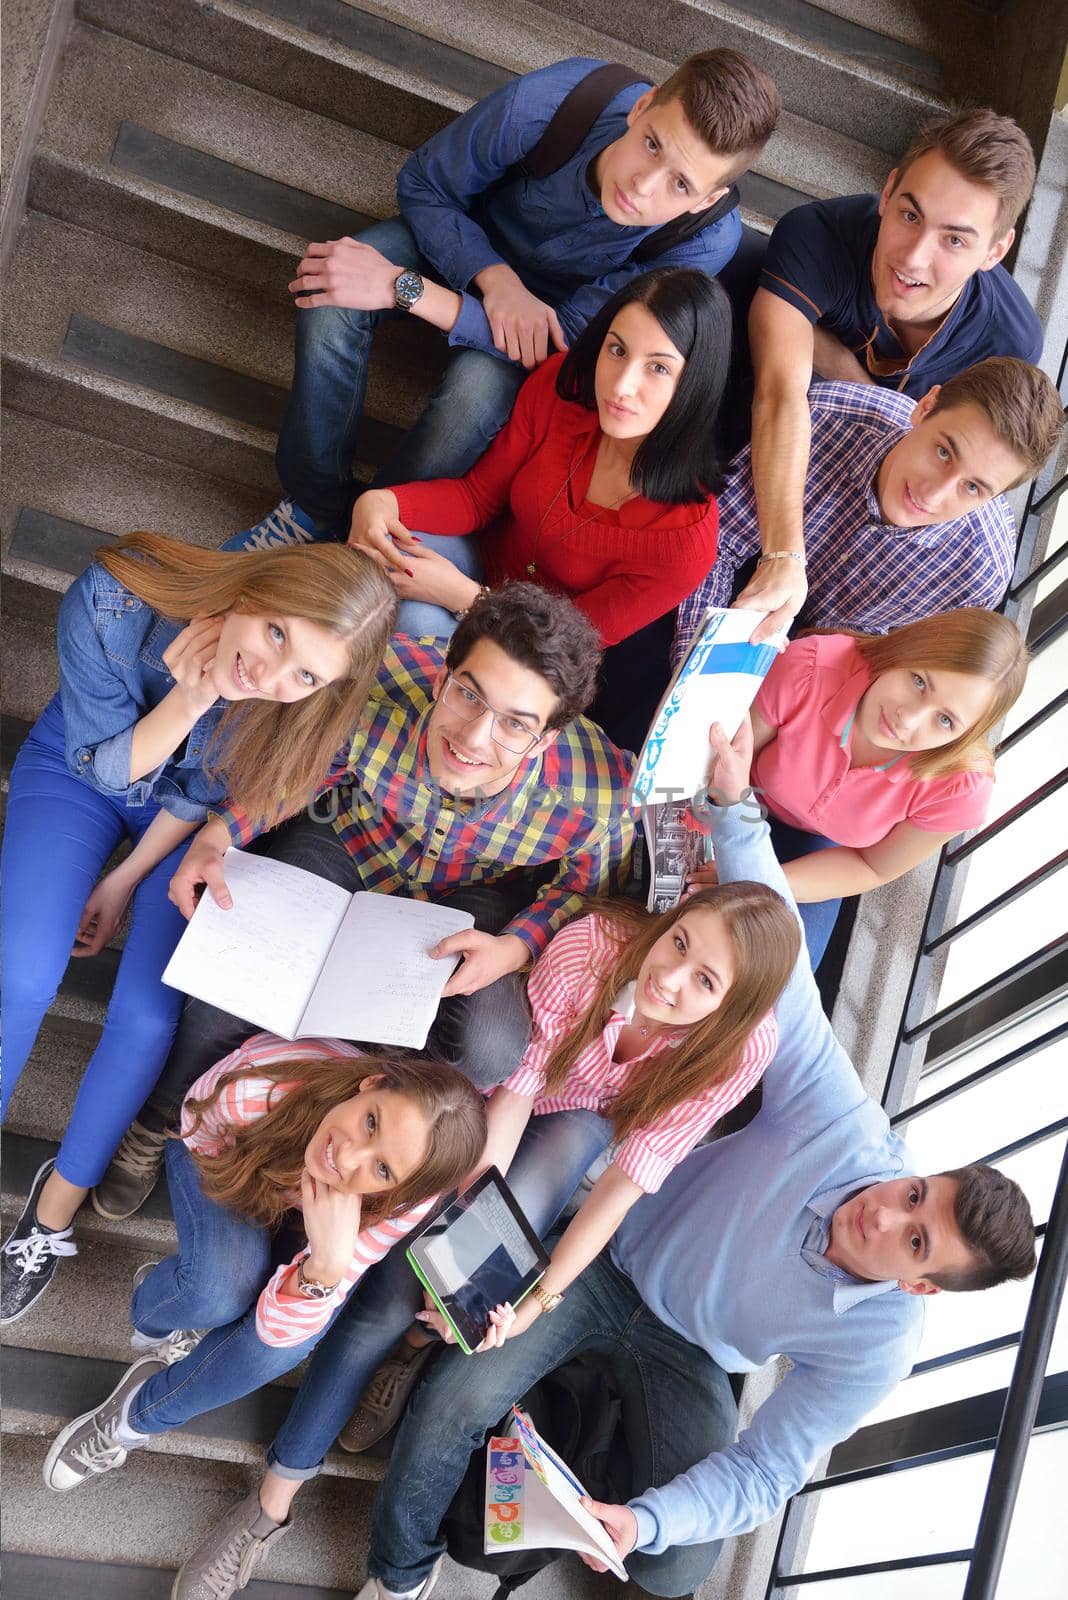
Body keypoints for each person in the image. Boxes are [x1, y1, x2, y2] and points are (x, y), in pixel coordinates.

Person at [336, 721, 1036, 1600]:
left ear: (922, 1287)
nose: (887, 1212)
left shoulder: (879, 1344)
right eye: (915, 1192)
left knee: (678, 1570)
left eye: (917, 1241)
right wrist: (736, 810)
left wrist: (649, 1522)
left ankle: (567, 1446)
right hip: (605, 1259)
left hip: (696, 1355)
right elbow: (772, 969)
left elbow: (768, 1472)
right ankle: (398, 1579)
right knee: (452, 1402)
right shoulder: (848, 1129)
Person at [91, 584, 636, 1221]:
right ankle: (162, 1117)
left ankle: (345, 1127)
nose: (474, 737)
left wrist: (517, 946)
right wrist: (219, 832)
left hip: (471, 892)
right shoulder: (379, 679)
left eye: (515, 724)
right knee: (228, 989)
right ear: (443, 677)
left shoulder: (601, 791)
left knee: (491, 1049)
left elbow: (582, 887)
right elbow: (303, 770)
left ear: (545, 739)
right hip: (348, 838)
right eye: (467, 695)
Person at [0, 534, 396, 1326]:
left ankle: (51, 1213)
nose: (274, 677)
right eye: (277, 633)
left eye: (307, 675)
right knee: (22, 973)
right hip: (81, 769)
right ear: (258, 587)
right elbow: (106, 765)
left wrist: (122, 879)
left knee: (148, 1021)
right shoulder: (117, 595)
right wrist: (194, 695)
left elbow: (201, 797)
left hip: (180, 828)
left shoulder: (302, 711)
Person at [335, 849, 797, 1456]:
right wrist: (462, 1231)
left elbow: (624, 1186)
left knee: (488, 1281)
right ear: (673, 916)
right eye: (679, 943)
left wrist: (537, 1303)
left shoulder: (739, 1052)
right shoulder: (592, 948)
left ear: (730, 1009)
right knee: (435, 1253)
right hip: (514, 1089)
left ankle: (415, 1347)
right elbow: (516, 1095)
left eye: (705, 981)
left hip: (584, 1116)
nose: (671, 977)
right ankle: (364, 1348)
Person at [236, 50, 780, 551]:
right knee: (330, 293)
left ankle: (368, 537)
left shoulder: (705, 238)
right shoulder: (559, 101)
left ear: (706, 198)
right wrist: (496, 280)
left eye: (680, 185)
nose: (642, 186)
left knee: (473, 398)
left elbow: (567, 341)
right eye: (652, 144)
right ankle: (314, 507)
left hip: (547, 329)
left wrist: (404, 290)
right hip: (459, 242)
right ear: (642, 106)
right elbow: (426, 185)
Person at [40, 1032, 485, 1525]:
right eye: (371, 1122)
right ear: (370, 1083)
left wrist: (326, 1268)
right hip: (226, 1156)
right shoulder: (263, 1087)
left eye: (382, 1168)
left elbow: (281, 1331)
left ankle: (132, 1419)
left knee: (289, 1342)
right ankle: (158, 1314)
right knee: (216, 1290)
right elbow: (199, 1128)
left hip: (309, 1214)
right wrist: (264, 1195)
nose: (351, 1157)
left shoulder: (404, 1202)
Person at [739, 107, 1043, 640]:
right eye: (909, 215)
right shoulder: (819, 235)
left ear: (994, 251)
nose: (914, 257)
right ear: (887, 191)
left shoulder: (1008, 341)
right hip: (764, 457)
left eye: (955, 240)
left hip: (870, 514)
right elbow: (781, 392)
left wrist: (832, 360)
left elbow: (970, 463)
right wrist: (784, 553)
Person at [348, 267, 730, 651]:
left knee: (413, 622)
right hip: (477, 560)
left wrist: (468, 598)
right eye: (617, 350)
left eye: (658, 368)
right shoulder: (564, 386)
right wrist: (383, 501)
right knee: (380, 559)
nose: (621, 385)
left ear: (695, 385)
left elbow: (570, 645)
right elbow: (477, 498)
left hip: (533, 655)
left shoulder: (685, 542)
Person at [688, 608, 1029, 970]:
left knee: (773, 971)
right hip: (744, 791)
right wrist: (735, 845)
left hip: (825, 851)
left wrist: (759, 877)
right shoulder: (813, 666)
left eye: (945, 720)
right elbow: (728, 760)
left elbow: (873, 866)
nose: (908, 719)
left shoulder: (960, 789)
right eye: (918, 681)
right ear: (905, 648)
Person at [674, 355, 1064, 660]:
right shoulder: (825, 417)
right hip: (744, 582)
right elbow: (719, 543)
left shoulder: (977, 577)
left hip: (824, 667)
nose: (932, 494)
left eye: (973, 487)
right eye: (944, 452)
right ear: (926, 407)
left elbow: (884, 670)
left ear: (994, 498)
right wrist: (693, 669)